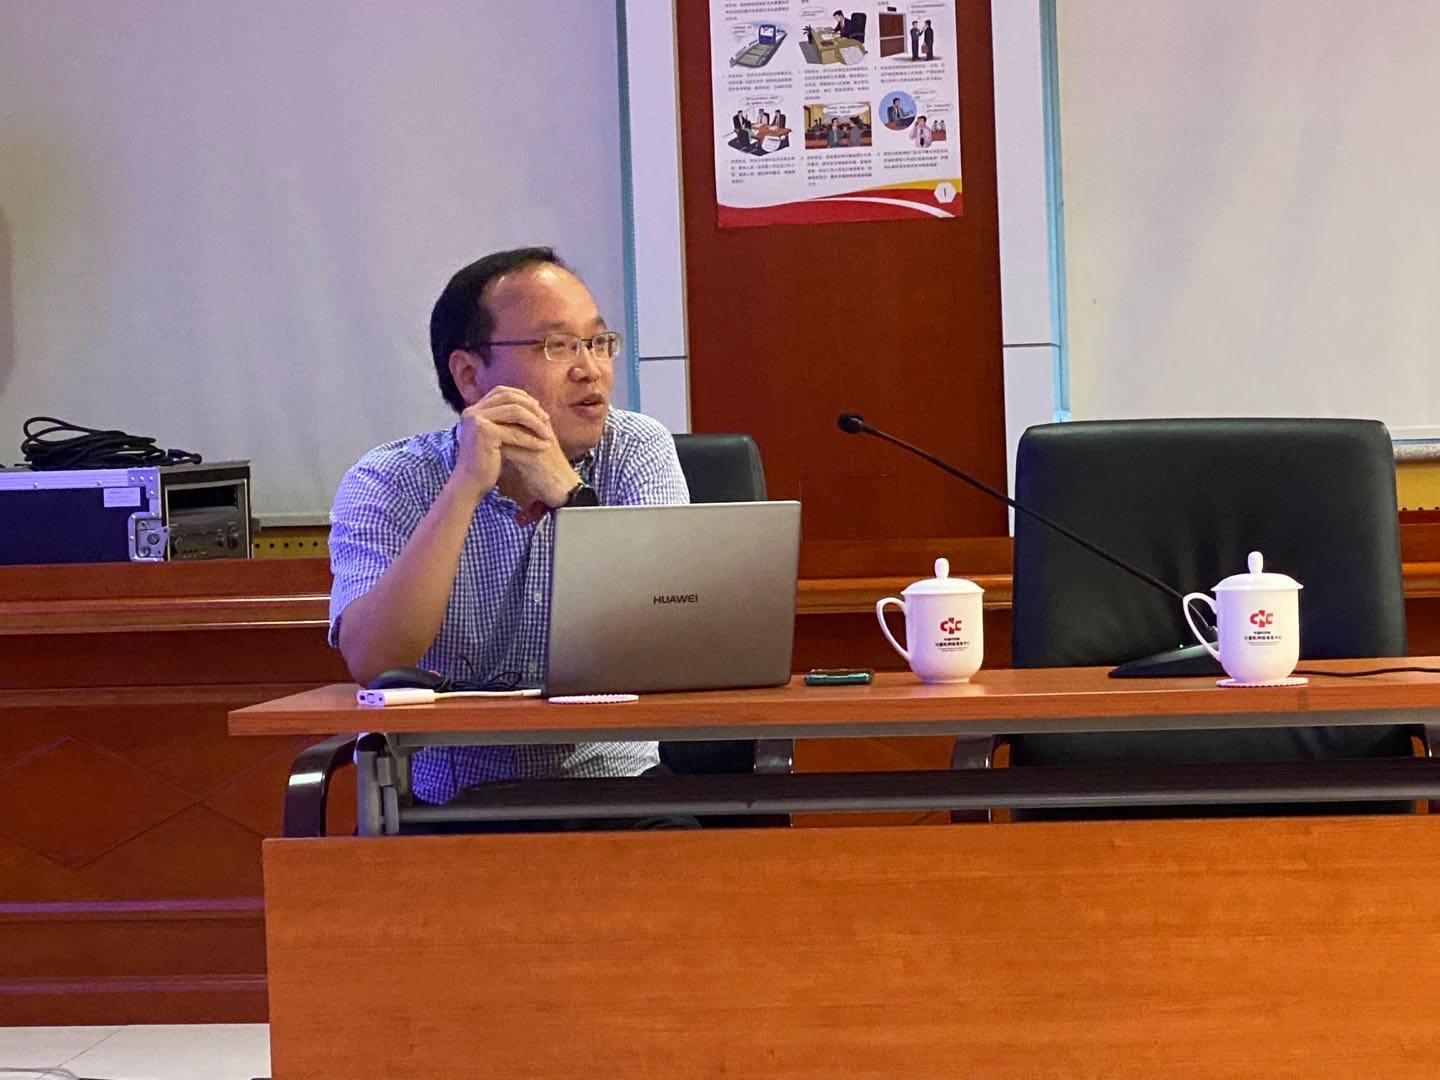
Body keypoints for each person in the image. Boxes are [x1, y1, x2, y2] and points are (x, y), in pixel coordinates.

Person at [328, 247, 691, 812]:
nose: (590, 369)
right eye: (557, 346)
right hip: (446, 804)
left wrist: (570, 495)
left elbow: (671, 628)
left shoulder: (637, 449)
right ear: (470, 375)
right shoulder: (389, 479)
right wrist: (464, 487)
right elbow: (374, 660)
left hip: (618, 793)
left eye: (598, 342)